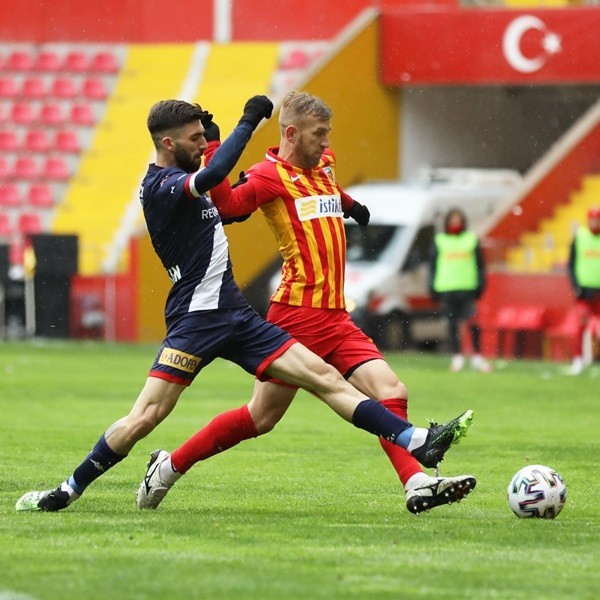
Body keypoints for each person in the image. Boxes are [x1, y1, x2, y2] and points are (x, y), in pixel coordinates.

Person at [16, 96, 474, 513]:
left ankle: (415, 448)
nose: (202, 144)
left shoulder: (308, 168)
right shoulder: (163, 185)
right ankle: (72, 489)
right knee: (150, 416)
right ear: (169, 143)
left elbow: (286, 189)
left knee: (327, 382)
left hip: (238, 314)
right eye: (195, 139)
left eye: (204, 137)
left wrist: (349, 205)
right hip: (199, 320)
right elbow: (222, 190)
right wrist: (246, 123)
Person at [429, 208, 492, 373]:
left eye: (458, 220)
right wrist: (432, 287)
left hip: (467, 288)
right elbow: (432, 266)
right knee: (452, 324)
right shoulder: (440, 240)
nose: (455, 223)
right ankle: (457, 357)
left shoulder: (471, 239)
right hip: (447, 287)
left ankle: (477, 357)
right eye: (453, 220)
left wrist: (480, 285)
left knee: (473, 323)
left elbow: (480, 265)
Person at [566, 205, 600, 375]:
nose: (594, 222)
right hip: (584, 291)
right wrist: (575, 286)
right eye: (592, 219)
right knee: (580, 325)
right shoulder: (580, 237)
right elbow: (571, 264)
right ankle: (578, 360)